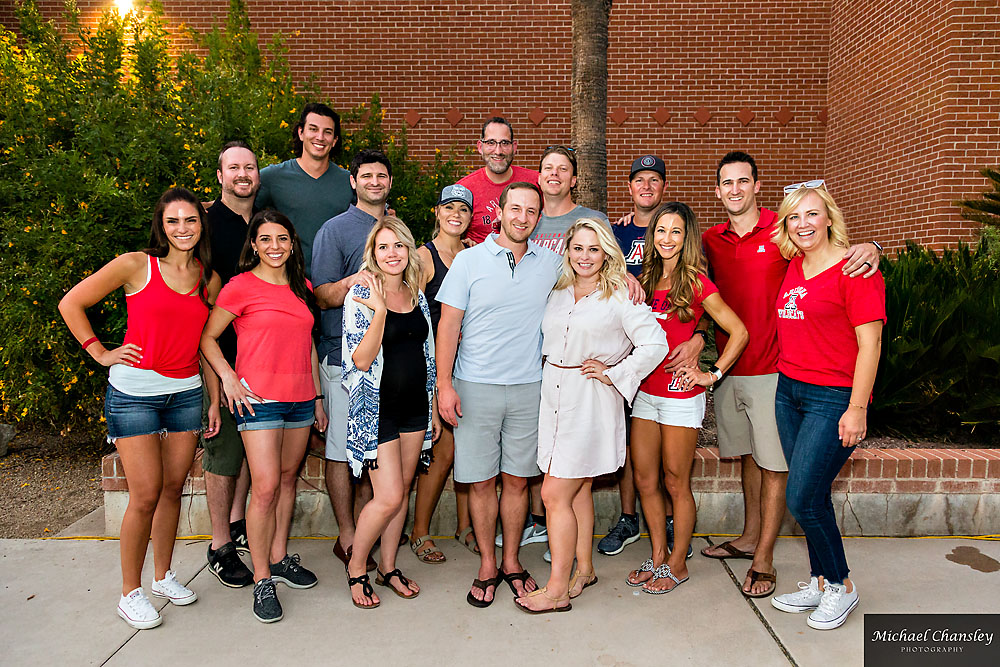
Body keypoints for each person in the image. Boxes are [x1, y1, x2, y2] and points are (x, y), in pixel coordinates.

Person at [700, 153, 883, 599]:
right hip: (746, 372)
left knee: (792, 483)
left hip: (791, 379)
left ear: (758, 185)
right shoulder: (723, 242)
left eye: (744, 181)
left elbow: (866, 330)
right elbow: (697, 287)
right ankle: (785, 560)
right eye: (727, 182)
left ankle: (784, 566)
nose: (735, 189)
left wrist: (875, 246)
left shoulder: (793, 243)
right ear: (718, 190)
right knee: (752, 459)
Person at [58, 187, 220, 630]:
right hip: (134, 394)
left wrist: (213, 400)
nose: (182, 228)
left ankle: (163, 576)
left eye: (191, 220)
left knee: (172, 489)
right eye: (173, 221)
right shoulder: (136, 265)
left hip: (186, 393)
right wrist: (99, 351)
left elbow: (204, 344)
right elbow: (70, 302)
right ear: (160, 225)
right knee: (145, 493)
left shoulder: (209, 278)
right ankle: (130, 593)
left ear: (201, 225)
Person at [514, 220, 667, 614]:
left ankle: (556, 589)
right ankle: (584, 569)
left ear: (607, 253)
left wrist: (614, 372)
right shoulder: (559, 291)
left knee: (553, 494)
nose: (585, 256)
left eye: (593, 249)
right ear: (568, 251)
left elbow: (655, 344)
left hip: (590, 398)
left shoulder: (619, 295)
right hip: (554, 393)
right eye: (578, 248)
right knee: (578, 488)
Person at [200, 210, 328, 624]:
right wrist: (230, 379)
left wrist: (319, 397)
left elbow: (306, 343)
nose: (275, 246)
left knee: (288, 480)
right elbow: (208, 338)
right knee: (267, 487)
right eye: (266, 239)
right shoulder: (240, 287)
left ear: (292, 244)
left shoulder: (301, 287)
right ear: (253, 244)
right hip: (260, 401)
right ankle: (261, 580)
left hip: (300, 400)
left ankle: (277, 558)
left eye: (283, 239)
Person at [768, 183, 884, 630]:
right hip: (789, 392)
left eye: (812, 214)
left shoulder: (856, 270)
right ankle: (818, 581)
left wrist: (857, 408)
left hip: (832, 398)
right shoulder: (794, 265)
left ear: (830, 217)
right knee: (813, 494)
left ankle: (841, 585)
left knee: (800, 497)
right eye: (794, 217)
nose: (803, 224)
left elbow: (870, 345)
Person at [626, 202, 748, 594]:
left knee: (676, 481)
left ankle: (679, 563)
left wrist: (711, 374)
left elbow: (739, 331)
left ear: (687, 237)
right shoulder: (643, 280)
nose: (667, 238)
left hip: (681, 396)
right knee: (646, 480)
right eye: (661, 230)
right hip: (644, 393)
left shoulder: (696, 281)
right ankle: (658, 555)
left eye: (676, 231)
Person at [600, 156, 704, 558]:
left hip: (671, 374)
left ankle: (674, 533)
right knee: (632, 450)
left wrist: (698, 337)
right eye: (639, 180)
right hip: (626, 361)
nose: (646, 186)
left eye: (654, 180)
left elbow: (703, 301)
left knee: (672, 470)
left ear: (664, 188)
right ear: (629, 187)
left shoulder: (679, 232)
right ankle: (630, 518)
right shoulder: (615, 231)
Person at [341, 217, 438, 608]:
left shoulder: (416, 292)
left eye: (399, 245)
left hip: (415, 407)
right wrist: (380, 312)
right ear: (373, 253)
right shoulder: (360, 295)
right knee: (388, 496)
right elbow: (360, 361)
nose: (392, 253)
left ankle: (388, 566)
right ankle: (356, 568)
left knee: (402, 493)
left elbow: (426, 354)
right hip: (377, 410)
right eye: (383, 247)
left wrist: (431, 406)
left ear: (409, 250)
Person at [312, 149, 394, 573]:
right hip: (342, 357)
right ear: (353, 181)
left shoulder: (392, 230)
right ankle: (346, 535)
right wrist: (354, 282)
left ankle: (366, 528)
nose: (374, 182)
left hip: (386, 359)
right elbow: (321, 293)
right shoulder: (335, 230)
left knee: (373, 451)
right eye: (367, 175)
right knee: (343, 451)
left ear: (390, 182)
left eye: (381, 175)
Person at [409, 184, 477, 564]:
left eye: (463, 210)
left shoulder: (472, 254)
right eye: (449, 207)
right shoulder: (423, 257)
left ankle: (465, 526)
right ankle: (420, 531)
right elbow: (414, 315)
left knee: (470, 451)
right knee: (443, 452)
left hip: (473, 366)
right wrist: (431, 377)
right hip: (437, 366)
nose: (456, 214)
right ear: (437, 212)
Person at [203, 140, 259, 588]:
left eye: (250, 167)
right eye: (234, 167)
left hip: (260, 359)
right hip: (218, 357)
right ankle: (220, 544)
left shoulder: (262, 226)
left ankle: (238, 525)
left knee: (248, 448)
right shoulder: (203, 225)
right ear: (220, 175)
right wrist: (218, 378)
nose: (243, 174)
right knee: (223, 453)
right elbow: (202, 315)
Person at [256, 102, 353, 276]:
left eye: (328, 132)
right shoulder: (273, 177)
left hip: (337, 284)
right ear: (301, 133)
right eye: (313, 129)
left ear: (335, 140)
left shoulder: (350, 181)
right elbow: (240, 205)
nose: (320, 137)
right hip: (289, 282)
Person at [457, 117, 539, 244]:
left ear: (514, 147)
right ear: (480, 146)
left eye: (505, 143)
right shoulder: (464, 189)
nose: (498, 151)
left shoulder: (537, 181)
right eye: (491, 142)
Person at [530, 145, 611, 253]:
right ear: (540, 178)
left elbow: (613, 266)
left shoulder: (595, 221)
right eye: (548, 168)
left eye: (563, 169)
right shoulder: (526, 222)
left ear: (573, 181)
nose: (554, 173)